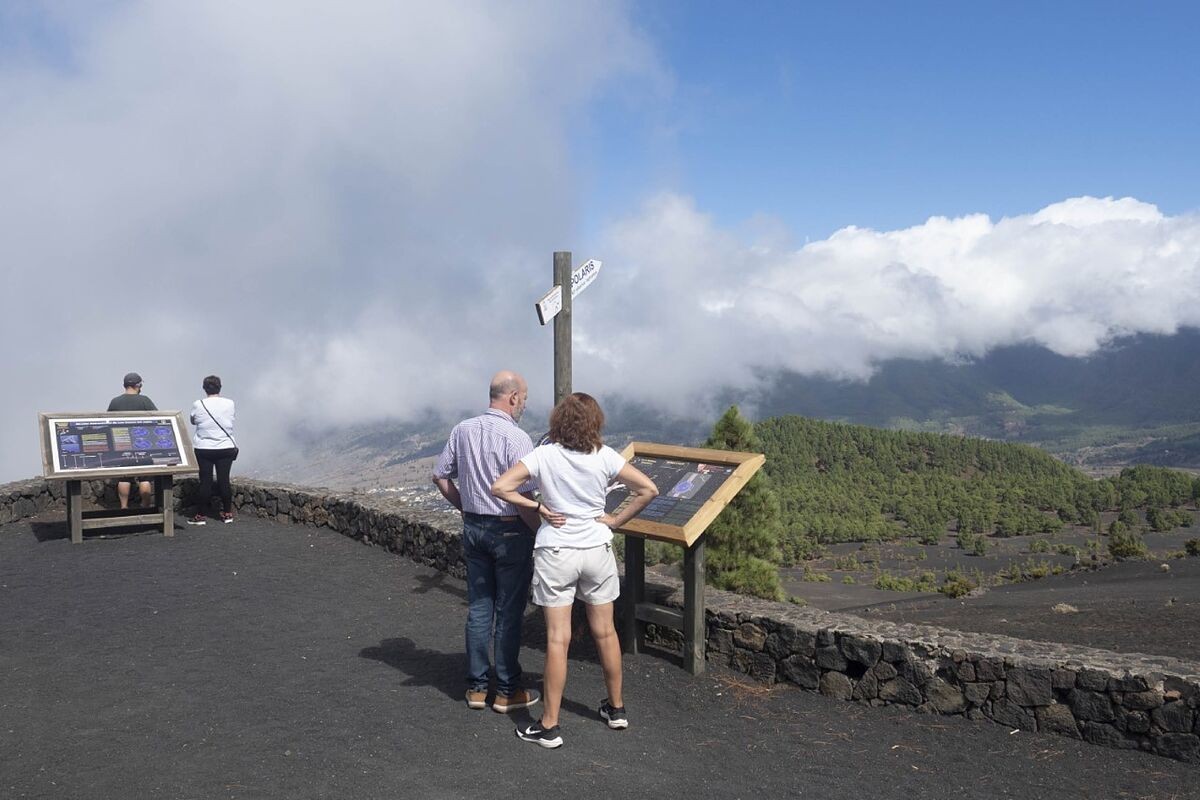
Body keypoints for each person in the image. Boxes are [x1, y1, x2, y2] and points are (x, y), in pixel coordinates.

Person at [492, 392, 659, 749]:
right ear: (594, 422)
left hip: (556, 549)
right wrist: (614, 519)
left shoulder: (544, 455)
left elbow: (500, 487)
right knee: (606, 633)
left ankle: (549, 726)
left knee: (557, 639)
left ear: (558, 422)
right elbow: (648, 489)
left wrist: (537, 506)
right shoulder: (605, 456)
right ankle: (616, 709)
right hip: (596, 548)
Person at [433, 370, 542, 714]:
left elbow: (439, 475)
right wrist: (541, 532)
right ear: (512, 398)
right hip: (510, 531)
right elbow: (523, 497)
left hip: (475, 529)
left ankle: (477, 688)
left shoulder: (462, 430)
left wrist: (466, 506)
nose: (523, 404)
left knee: (480, 608)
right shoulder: (517, 438)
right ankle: (507, 689)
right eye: (523, 398)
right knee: (509, 612)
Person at [186, 375, 238, 525]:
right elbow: (232, 418)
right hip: (226, 447)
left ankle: (200, 515)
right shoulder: (230, 403)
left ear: (204, 388)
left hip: (204, 448)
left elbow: (193, 420)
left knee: (205, 482)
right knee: (224, 480)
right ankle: (228, 513)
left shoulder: (198, 404)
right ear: (220, 387)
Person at [106, 372, 157, 509]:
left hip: (122, 443)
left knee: (124, 477)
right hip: (143, 444)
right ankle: (145, 505)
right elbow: (157, 418)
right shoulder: (145, 400)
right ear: (138, 385)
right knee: (144, 478)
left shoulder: (115, 401)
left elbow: (108, 422)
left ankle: (124, 507)